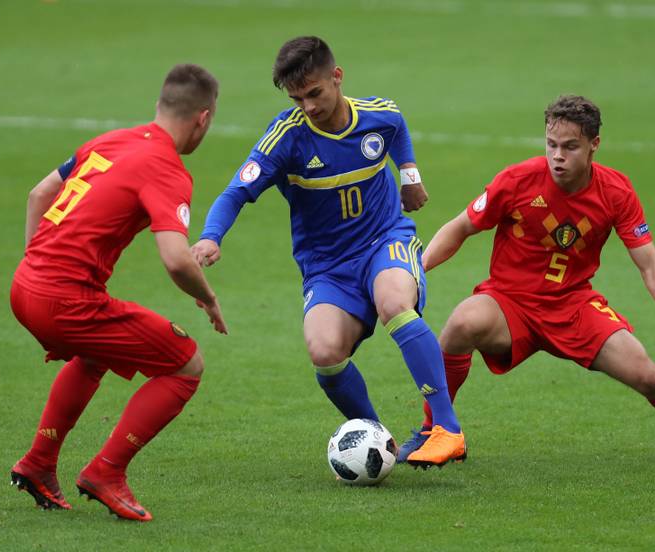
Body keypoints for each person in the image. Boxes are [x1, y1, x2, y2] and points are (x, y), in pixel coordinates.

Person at [398, 95, 655, 463]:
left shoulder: (616, 191)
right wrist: (417, 272)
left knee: (649, 377)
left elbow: (649, 262)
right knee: (461, 324)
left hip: (574, 306)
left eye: (570, 147)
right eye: (551, 145)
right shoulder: (517, 180)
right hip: (510, 303)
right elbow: (460, 227)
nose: (557, 156)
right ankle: (435, 431)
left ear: (594, 145)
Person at [192, 36, 465, 467]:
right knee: (323, 351)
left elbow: (397, 127)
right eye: (297, 98)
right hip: (328, 268)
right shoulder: (286, 138)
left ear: (337, 78)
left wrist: (410, 175)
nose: (309, 106)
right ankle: (381, 441)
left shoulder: (377, 115)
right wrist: (211, 236)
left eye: (315, 93)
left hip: (384, 241)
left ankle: (446, 429)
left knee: (394, 300)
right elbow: (235, 192)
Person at [9, 64, 226, 522]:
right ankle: (107, 471)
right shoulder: (169, 170)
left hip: (25, 285)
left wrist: (39, 266)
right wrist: (207, 297)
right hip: (64, 301)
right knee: (185, 363)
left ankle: (38, 463)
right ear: (203, 119)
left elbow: (38, 194)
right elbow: (174, 258)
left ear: (158, 106)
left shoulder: (109, 140)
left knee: (96, 352)